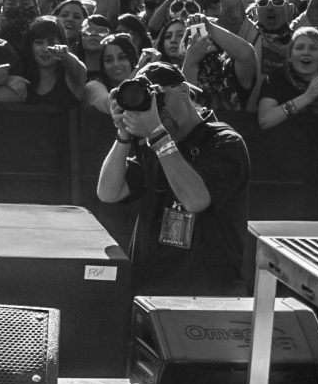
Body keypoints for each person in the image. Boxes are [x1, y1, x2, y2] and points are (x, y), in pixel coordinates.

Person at [95, 61, 251, 295]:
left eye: (158, 97)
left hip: (206, 292)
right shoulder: (153, 141)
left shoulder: (224, 142)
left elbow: (195, 200)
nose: (156, 109)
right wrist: (123, 134)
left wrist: (158, 136)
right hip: (150, 288)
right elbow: (109, 192)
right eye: (148, 101)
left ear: (184, 90)